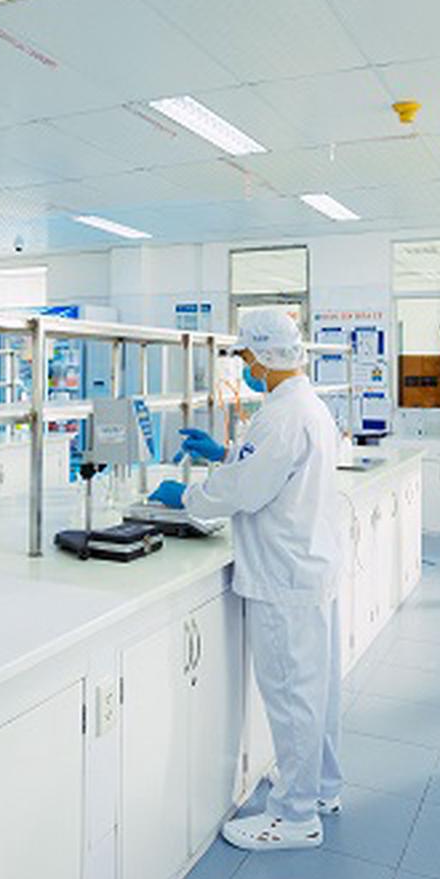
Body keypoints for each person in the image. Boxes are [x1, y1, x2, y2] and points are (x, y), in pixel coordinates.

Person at [146, 309, 343, 851]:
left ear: (266, 356)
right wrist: (227, 453)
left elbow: (247, 491)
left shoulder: (281, 415)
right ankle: (322, 788)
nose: (246, 368)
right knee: (317, 693)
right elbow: (271, 467)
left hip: (283, 574)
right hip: (310, 565)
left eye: (248, 357)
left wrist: (188, 497)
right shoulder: (306, 406)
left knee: (292, 695)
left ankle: (295, 817)